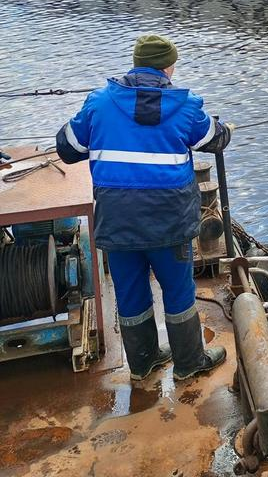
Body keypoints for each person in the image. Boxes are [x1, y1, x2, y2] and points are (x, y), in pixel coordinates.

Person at [56, 34, 233, 381]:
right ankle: (188, 363)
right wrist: (226, 127)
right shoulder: (186, 106)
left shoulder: (99, 104)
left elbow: (67, 147)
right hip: (169, 221)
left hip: (117, 220)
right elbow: (216, 140)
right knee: (178, 290)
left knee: (130, 289)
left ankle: (143, 361)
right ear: (169, 67)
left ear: (135, 63)